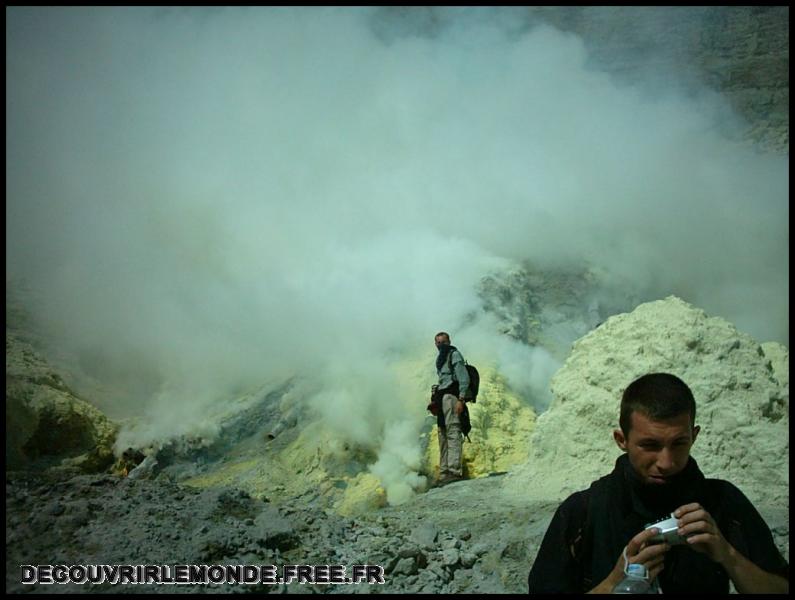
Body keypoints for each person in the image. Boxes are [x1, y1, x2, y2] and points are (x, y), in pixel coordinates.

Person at [528, 372, 789, 594]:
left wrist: (727, 555)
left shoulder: (723, 502)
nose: (666, 462)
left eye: (679, 443)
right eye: (650, 445)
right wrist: (613, 584)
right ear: (622, 440)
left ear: (694, 436)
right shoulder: (583, 512)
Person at [430, 331, 471, 487]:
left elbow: (463, 378)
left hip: (452, 398)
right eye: (438, 343)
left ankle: (454, 471)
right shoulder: (440, 359)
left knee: (453, 432)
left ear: (449, 342)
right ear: (436, 344)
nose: (441, 345)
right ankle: (444, 472)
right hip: (442, 400)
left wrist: (461, 399)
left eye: (443, 342)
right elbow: (442, 380)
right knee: (443, 434)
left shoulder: (454, 355)